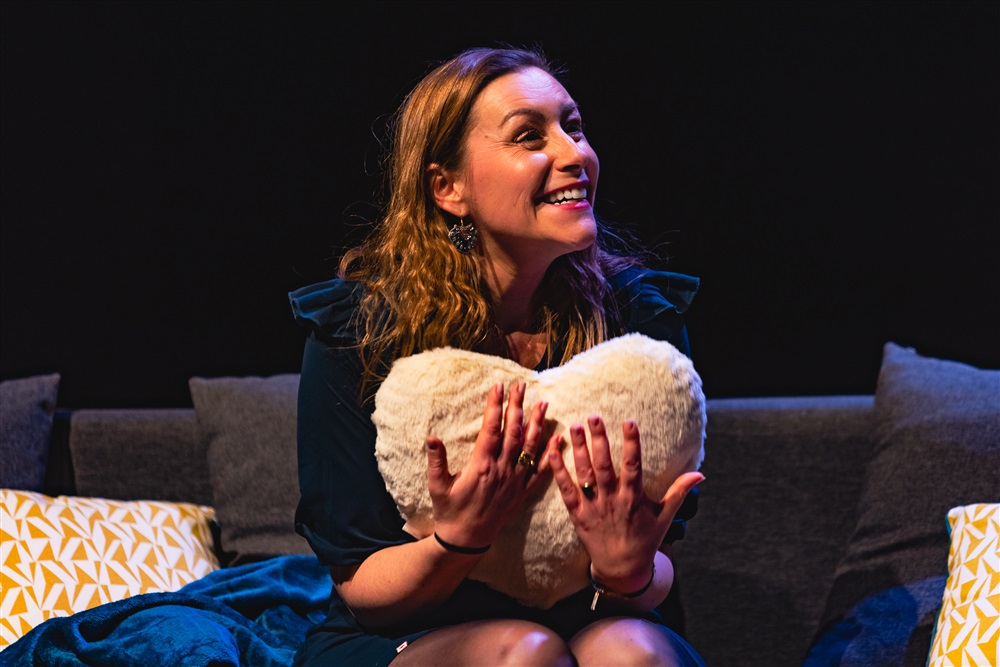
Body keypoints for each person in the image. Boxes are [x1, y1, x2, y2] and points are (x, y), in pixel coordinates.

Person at [288, 45, 707, 667]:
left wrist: (628, 571)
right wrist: (460, 539)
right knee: (525, 654)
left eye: (573, 127)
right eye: (529, 136)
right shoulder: (361, 331)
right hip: (411, 628)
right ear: (448, 188)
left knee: (632, 655)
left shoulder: (637, 322)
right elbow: (362, 587)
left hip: (599, 612)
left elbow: (659, 556)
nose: (574, 154)